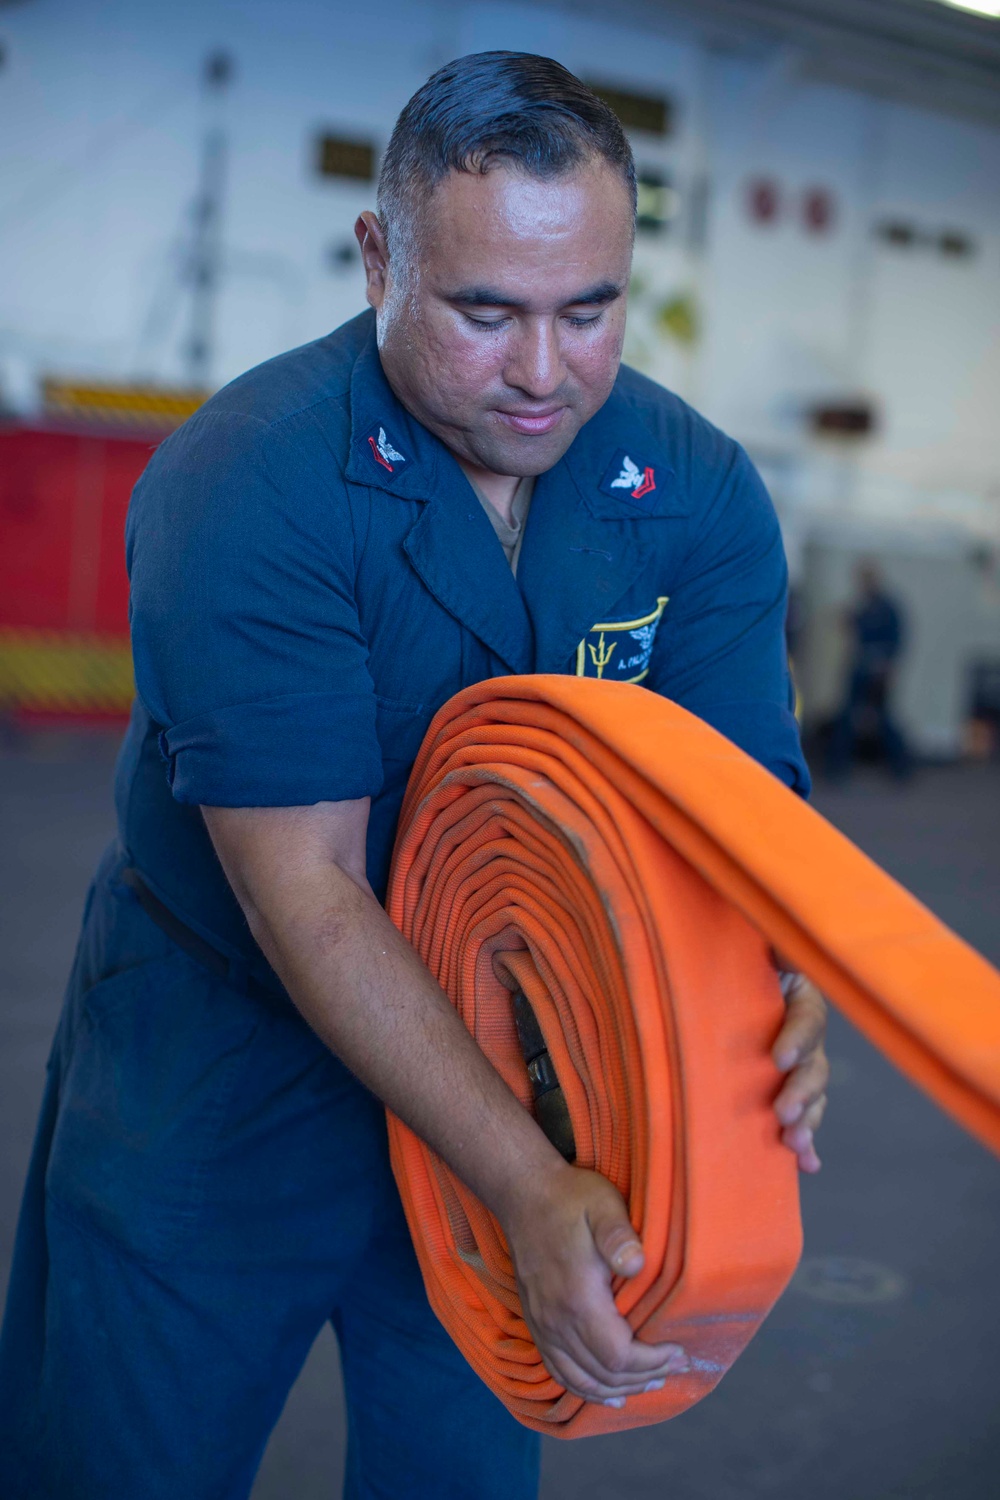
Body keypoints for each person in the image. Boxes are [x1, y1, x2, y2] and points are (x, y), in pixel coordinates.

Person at [0, 52, 829, 1500]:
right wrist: (520, 1178)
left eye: (591, 310)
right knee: (122, 1460)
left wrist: (777, 994)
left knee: (460, 1465)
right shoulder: (248, 482)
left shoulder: (690, 491)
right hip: (221, 1059)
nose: (543, 371)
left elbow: (739, 826)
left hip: (536, 1050)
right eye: (484, 312)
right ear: (379, 254)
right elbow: (308, 893)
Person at [826, 560, 911, 780]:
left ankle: (901, 768)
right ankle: (837, 768)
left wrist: (887, 667)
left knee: (881, 719)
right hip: (862, 667)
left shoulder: (886, 607)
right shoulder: (867, 605)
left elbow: (895, 640)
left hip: (876, 671)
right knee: (848, 718)